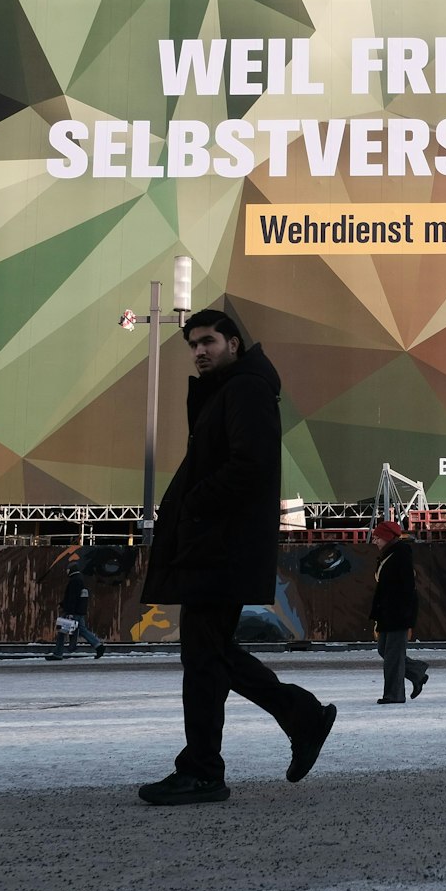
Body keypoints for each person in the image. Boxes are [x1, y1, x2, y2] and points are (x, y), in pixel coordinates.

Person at [137, 308, 336, 807]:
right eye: (193, 345)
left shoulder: (245, 389)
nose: (200, 351)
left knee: (205, 656)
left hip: (220, 547)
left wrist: (195, 505)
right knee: (208, 655)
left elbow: (251, 464)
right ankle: (293, 720)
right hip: (216, 545)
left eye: (208, 341)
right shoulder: (231, 389)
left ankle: (206, 769)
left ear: (233, 342)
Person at [368, 519, 430, 705]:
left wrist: (407, 619)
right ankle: (416, 671)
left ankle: (394, 695)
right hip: (388, 613)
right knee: (384, 651)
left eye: (377, 537)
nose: (375, 541)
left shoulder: (400, 556)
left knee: (393, 657)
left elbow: (406, 590)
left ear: (387, 537)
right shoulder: (390, 554)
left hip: (397, 614)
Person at [48, 557, 106, 660]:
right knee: (82, 630)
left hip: (72, 612)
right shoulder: (80, 580)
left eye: (67, 569)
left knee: (62, 632)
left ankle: (58, 654)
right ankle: (99, 646)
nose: (66, 571)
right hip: (78, 611)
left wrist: (68, 610)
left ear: (71, 570)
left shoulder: (74, 581)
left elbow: (72, 598)